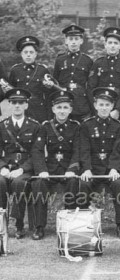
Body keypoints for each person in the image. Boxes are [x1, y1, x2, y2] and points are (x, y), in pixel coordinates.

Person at [31, 90, 80, 240]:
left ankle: (69, 225)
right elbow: (37, 150)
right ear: (53, 109)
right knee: (39, 184)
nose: (62, 111)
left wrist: (72, 169)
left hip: (67, 170)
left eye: (65, 107)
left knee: (73, 182)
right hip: (50, 170)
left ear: (70, 109)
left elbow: (78, 150)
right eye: (59, 107)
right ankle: (39, 227)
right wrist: (42, 170)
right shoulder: (44, 127)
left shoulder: (76, 127)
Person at [80, 87, 120, 239]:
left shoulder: (118, 126)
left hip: (109, 170)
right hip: (93, 169)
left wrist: (114, 169)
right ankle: (83, 224)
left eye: (107, 105)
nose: (104, 108)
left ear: (112, 106)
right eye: (101, 104)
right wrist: (86, 169)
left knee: (119, 184)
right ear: (95, 105)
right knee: (84, 184)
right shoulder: (87, 125)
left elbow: (117, 150)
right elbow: (85, 150)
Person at [0, 88, 40, 238]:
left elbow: (37, 153)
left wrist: (22, 169)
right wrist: (2, 167)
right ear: (9, 104)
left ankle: (18, 225)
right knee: (0, 182)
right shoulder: (2, 126)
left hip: (26, 168)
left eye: (21, 102)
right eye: (14, 102)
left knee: (19, 183)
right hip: (7, 167)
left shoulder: (35, 126)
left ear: (26, 105)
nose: (17, 105)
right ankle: (1, 224)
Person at [88, 27, 120, 128]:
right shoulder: (98, 64)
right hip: (101, 108)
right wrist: (97, 108)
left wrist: (117, 110)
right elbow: (91, 88)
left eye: (116, 43)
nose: (112, 46)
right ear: (105, 44)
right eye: (110, 43)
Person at [52, 24, 93, 122]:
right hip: (63, 101)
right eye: (71, 39)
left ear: (81, 41)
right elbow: (55, 81)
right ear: (66, 41)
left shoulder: (87, 60)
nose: (73, 42)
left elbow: (91, 85)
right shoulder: (60, 59)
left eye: (76, 39)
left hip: (81, 102)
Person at [8, 36, 52, 123]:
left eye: (31, 52)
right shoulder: (15, 70)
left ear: (35, 54)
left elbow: (48, 94)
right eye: (25, 52)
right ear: (21, 54)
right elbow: (11, 91)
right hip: (21, 110)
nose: (28, 55)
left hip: (39, 111)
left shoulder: (43, 70)